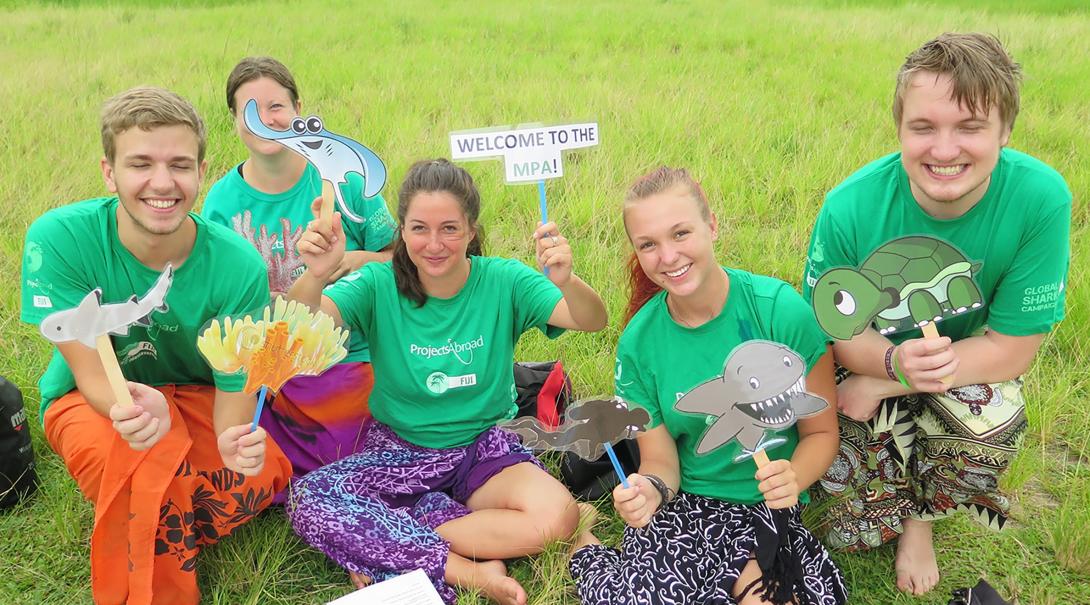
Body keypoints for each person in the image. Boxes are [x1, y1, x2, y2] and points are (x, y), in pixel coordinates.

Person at [802, 33, 1071, 596]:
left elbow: (1012, 349)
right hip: (870, 356)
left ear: (1004, 132)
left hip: (965, 370)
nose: (944, 150)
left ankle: (919, 521)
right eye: (923, 127)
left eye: (969, 127)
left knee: (991, 422)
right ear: (900, 128)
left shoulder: (1041, 199)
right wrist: (891, 364)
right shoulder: (849, 207)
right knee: (843, 528)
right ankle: (886, 504)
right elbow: (838, 330)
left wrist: (890, 381)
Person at [285, 158, 608, 604]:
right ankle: (469, 571)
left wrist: (568, 281)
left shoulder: (503, 280)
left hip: (482, 447)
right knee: (308, 501)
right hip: (400, 451)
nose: (434, 244)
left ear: (471, 230)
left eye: (449, 229)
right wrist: (316, 274)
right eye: (419, 228)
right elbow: (298, 329)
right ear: (401, 230)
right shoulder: (378, 283)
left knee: (558, 518)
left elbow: (590, 320)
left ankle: (389, 542)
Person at [20, 87, 290, 605]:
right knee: (147, 469)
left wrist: (234, 440)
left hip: (199, 395)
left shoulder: (238, 266)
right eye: (141, 163)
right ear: (109, 171)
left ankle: (157, 516)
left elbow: (234, 389)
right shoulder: (59, 238)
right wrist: (137, 413)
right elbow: (91, 373)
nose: (162, 183)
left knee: (263, 470)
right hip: (91, 400)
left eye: (180, 165)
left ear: (202, 172)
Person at [569, 167, 847, 605]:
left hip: (771, 507)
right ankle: (582, 537)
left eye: (681, 233)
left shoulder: (779, 312)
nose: (668, 256)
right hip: (691, 507)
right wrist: (649, 490)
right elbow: (661, 464)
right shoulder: (639, 344)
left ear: (712, 225)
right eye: (648, 245)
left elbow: (821, 432)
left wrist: (794, 477)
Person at [202, 56, 396, 479]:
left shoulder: (345, 181)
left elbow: (405, 259)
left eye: (276, 107)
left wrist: (364, 258)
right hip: (263, 368)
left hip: (347, 358)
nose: (266, 120)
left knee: (351, 456)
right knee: (228, 452)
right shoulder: (220, 203)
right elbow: (220, 304)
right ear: (233, 119)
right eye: (250, 110)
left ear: (298, 110)